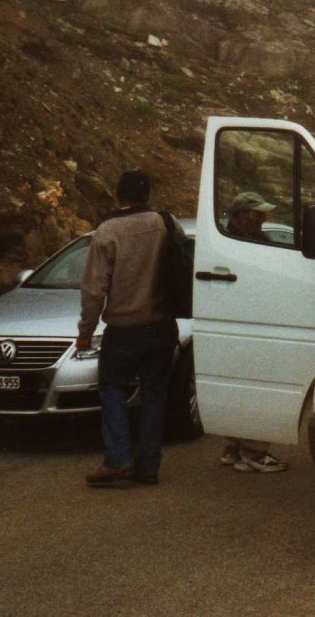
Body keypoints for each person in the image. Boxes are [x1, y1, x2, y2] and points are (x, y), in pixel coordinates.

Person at [78, 170, 183, 487]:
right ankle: (148, 467)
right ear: (148, 195)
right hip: (162, 325)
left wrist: (85, 331)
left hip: (124, 329)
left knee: (111, 389)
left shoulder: (107, 231)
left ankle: (118, 458)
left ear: (116, 195)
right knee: (154, 396)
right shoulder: (167, 223)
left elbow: (94, 290)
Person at [218, 191, 290, 472]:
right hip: (250, 320)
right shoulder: (241, 244)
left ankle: (234, 447)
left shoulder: (238, 240)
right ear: (241, 216)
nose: (262, 219)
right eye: (256, 214)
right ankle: (255, 452)